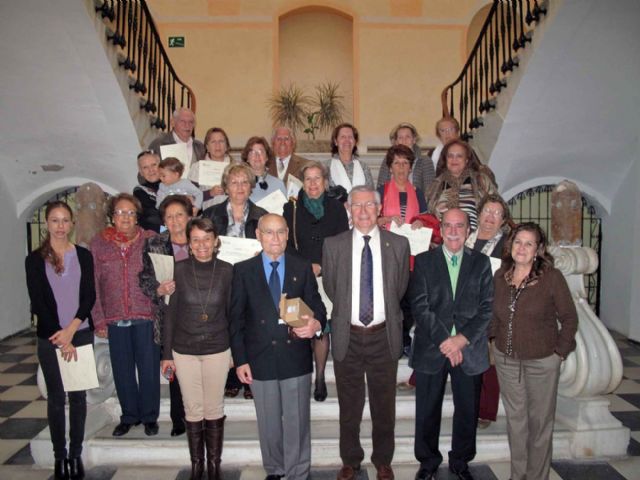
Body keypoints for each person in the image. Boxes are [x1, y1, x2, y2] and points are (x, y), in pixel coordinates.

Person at [322, 185, 410, 480]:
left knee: (384, 405)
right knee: (349, 405)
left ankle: (383, 460)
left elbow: (399, 289)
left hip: (383, 336)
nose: (362, 211)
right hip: (349, 334)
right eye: (356, 206)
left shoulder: (398, 245)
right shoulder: (334, 245)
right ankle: (351, 459)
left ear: (378, 209)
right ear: (348, 209)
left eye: (368, 205)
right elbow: (332, 288)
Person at [230, 213, 326, 480]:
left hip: (294, 356)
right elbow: (235, 320)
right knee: (269, 423)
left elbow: (318, 307)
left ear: (287, 235)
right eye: (269, 232)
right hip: (259, 358)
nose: (275, 238)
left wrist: (315, 323)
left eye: (281, 232)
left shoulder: (301, 267)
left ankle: (297, 473)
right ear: (258, 236)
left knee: (297, 422)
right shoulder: (242, 270)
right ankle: (275, 468)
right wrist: (240, 360)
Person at [409, 208, 494, 480]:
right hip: (432, 347)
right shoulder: (423, 261)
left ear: (468, 230)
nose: (454, 231)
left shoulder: (481, 263)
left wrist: (461, 339)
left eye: (460, 226)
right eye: (449, 225)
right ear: (441, 229)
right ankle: (428, 462)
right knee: (426, 410)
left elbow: (486, 309)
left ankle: (460, 461)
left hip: (469, 348)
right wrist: (446, 340)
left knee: (468, 410)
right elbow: (420, 307)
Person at [490, 222, 578, 480]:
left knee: (539, 424)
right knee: (516, 424)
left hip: (542, 361)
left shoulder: (551, 278)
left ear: (538, 249)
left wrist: (559, 353)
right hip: (507, 361)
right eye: (518, 241)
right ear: (510, 245)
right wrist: (492, 338)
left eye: (529, 243)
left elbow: (570, 318)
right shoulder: (501, 276)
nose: (522, 248)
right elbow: (494, 314)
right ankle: (518, 475)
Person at [25, 201, 95, 480]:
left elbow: (89, 296)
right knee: (56, 398)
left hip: (80, 332)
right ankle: (59, 456)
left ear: (72, 223)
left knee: (78, 398)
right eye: (55, 220)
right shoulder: (34, 259)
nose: (60, 226)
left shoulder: (83, 255)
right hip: (50, 336)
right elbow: (38, 302)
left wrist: (72, 330)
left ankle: (75, 454)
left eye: (65, 220)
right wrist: (60, 336)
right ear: (47, 223)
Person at [162, 217, 234, 480]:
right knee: (192, 409)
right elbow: (170, 315)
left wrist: (235, 352)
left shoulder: (227, 271)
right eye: (196, 240)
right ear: (189, 244)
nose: (202, 245)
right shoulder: (178, 270)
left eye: (207, 239)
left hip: (217, 348)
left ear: (215, 241)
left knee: (213, 407)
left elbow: (233, 314)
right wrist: (166, 354)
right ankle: (197, 466)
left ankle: (214, 467)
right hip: (184, 350)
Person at [90, 193, 160, 438]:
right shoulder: (98, 244)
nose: (126, 217)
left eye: (131, 212)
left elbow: (161, 275)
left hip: (145, 315)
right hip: (114, 317)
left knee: (149, 369)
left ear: (137, 216)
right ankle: (129, 415)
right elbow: (93, 284)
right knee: (122, 370)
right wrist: (98, 319)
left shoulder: (150, 240)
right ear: (112, 216)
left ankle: (150, 416)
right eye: (120, 212)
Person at [282, 161, 350, 402]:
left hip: (328, 276)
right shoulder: (291, 208)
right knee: (300, 327)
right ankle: (302, 378)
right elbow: (285, 244)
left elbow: (344, 242)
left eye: (317, 178)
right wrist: (303, 267)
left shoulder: (337, 208)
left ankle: (320, 377)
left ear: (325, 182)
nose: (312, 184)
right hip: (298, 276)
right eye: (308, 179)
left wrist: (322, 265)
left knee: (322, 328)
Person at [202, 163, 268, 400]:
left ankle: (251, 376)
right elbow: (202, 244)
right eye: (234, 182)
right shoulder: (211, 214)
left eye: (244, 182)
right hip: (221, 277)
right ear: (225, 187)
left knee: (252, 326)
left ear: (251, 187)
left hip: (252, 277)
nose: (239, 187)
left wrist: (260, 254)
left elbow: (272, 246)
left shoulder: (262, 215)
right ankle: (231, 375)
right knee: (226, 325)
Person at [139, 195, 194, 438]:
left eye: (179, 215)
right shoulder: (155, 243)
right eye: (169, 217)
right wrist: (158, 289)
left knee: (195, 369)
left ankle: (196, 415)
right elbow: (144, 277)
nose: (174, 220)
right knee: (174, 366)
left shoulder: (201, 239)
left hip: (198, 313)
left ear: (189, 216)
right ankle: (178, 418)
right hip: (169, 313)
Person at [464, 194, 512, 429]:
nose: (490, 217)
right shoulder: (465, 238)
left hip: (490, 309)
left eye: (497, 214)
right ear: (479, 214)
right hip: (461, 306)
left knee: (488, 360)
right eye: (487, 211)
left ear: (503, 221)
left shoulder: (507, 247)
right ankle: (417, 379)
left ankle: (486, 411)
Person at [426, 139, 497, 231]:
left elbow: (497, 208)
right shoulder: (435, 185)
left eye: (459, 156)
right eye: (450, 156)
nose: (454, 159)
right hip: (444, 240)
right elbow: (428, 215)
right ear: (445, 159)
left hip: (476, 239)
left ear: (467, 160)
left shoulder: (481, 180)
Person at [377, 145, 429, 230]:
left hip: (412, 241)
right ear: (390, 168)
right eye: (396, 163)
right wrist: (387, 219)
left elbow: (426, 220)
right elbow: (371, 221)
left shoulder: (418, 193)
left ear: (410, 168)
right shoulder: (381, 192)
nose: (401, 166)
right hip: (386, 240)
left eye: (405, 162)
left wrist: (421, 222)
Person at [376, 122, 435, 192]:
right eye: (400, 137)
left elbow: (430, 191)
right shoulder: (388, 159)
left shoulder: (425, 161)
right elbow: (381, 187)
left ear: (414, 140)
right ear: (396, 141)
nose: (404, 141)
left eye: (408, 137)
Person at [326, 123, 374, 192]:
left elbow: (371, 193)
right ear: (336, 141)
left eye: (350, 137)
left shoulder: (364, 167)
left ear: (355, 142)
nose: (347, 140)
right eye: (343, 137)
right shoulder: (326, 166)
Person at [242, 136, 287, 204]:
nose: (257, 155)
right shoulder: (240, 184)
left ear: (266, 157)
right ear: (247, 158)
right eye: (253, 152)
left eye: (261, 151)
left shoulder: (278, 184)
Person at [133, 150, 163, 232]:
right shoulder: (139, 191)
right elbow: (149, 220)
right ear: (141, 172)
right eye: (145, 167)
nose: (151, 170)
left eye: (153, 165)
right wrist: (166, 230)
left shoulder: (175, 185)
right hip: (160, 234)